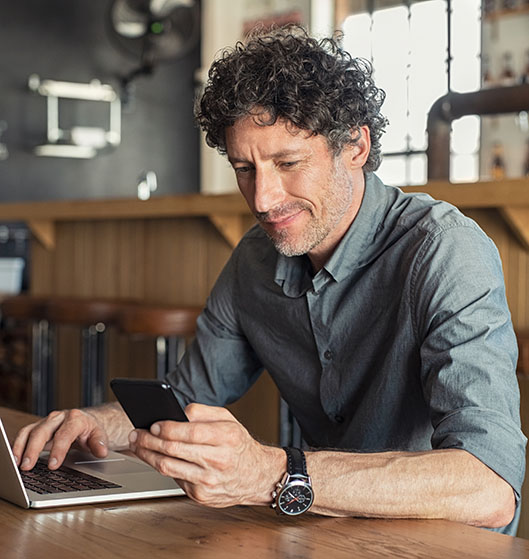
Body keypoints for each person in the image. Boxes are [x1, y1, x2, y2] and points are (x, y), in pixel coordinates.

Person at [12, 26, 526, 534]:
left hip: (441, 544)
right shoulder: (256, 258)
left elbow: (490, 488)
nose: (262, 199)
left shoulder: (444, 250)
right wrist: (99, 424)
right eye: (244, 168)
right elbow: (189, 396)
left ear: (356, 147)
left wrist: (273, 474)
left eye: (288, 162)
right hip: (325, 532)